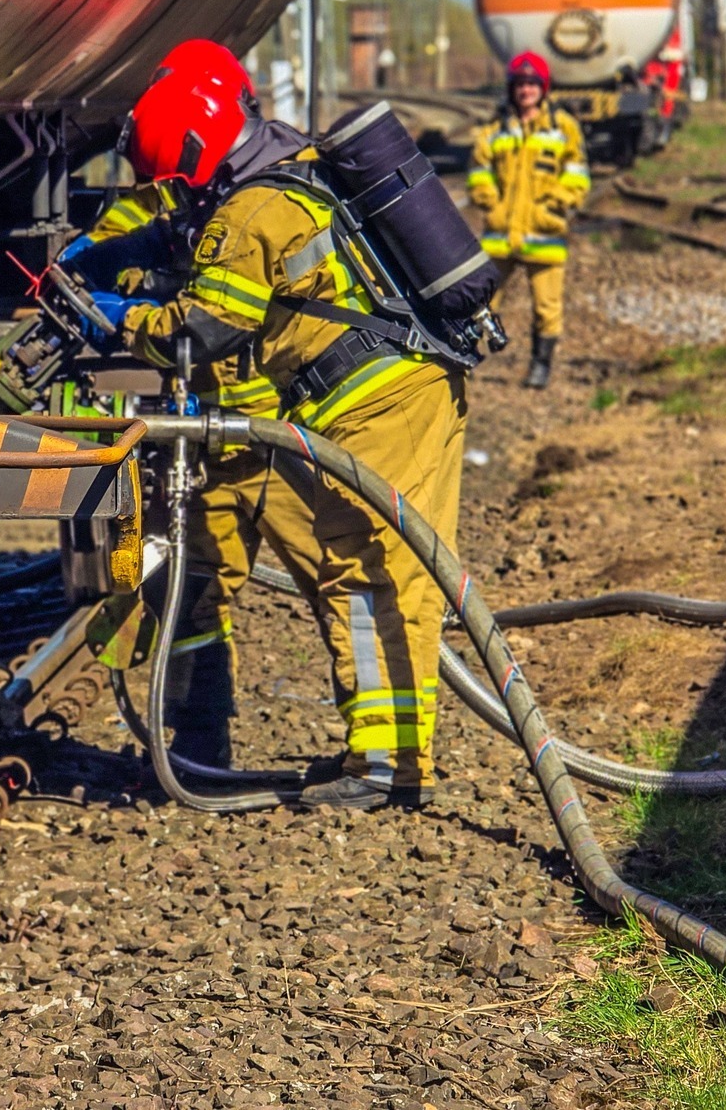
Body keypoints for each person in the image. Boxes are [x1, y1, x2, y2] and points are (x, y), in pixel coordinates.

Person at [83, 60, 468, 810]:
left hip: (381, 403)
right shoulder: (291, 169)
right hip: (380, 397)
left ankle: (387, 767)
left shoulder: (249, 215)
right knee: (368, 570)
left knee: (373, 573)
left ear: (195, 154)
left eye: (181, 180)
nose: (184, 196)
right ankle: (377, 761)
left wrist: (121, 319)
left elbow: (199, 332)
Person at [468, 51, 591, 389]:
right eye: (520, 85)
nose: (526, 91)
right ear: (512, 89)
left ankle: (540, 366)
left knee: (546, 308)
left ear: (543, 88)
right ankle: (468, 357)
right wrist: (490, 203)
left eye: (532, 84)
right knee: (482, 301)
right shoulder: (495, 130)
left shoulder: (563, 128)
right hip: (500, 234)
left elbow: (577, 173)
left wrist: (556, 205)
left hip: (545, 233)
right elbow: (480, 171)